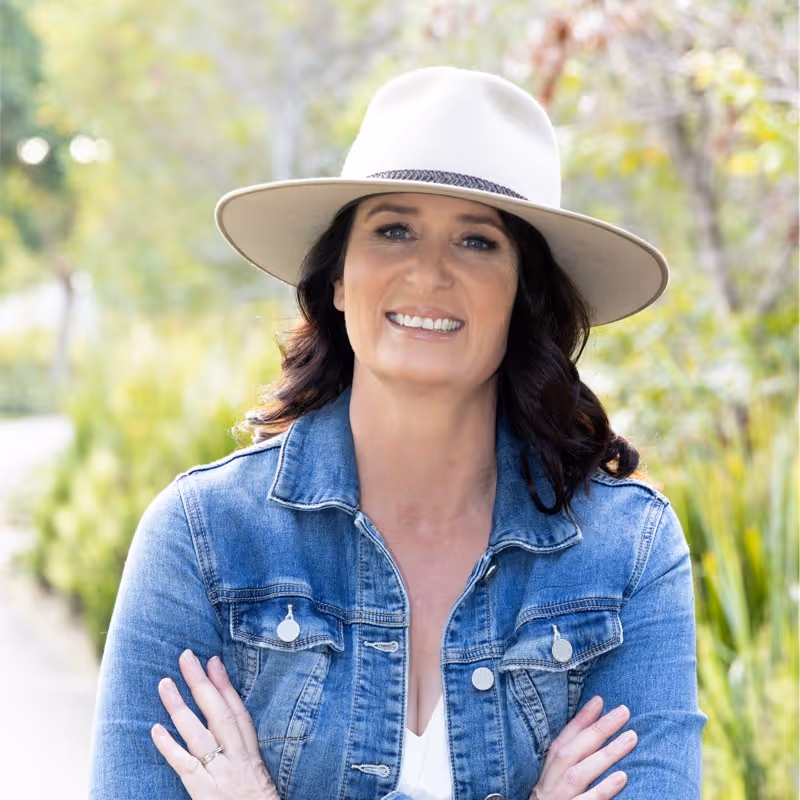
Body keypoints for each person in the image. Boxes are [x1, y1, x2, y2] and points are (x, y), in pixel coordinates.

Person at [88, 66, 707, 800]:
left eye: (477, 242)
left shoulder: (625, 555)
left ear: (523, 295)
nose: (429, 271)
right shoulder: (204, 539)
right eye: (393, 230)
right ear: (339, 280)